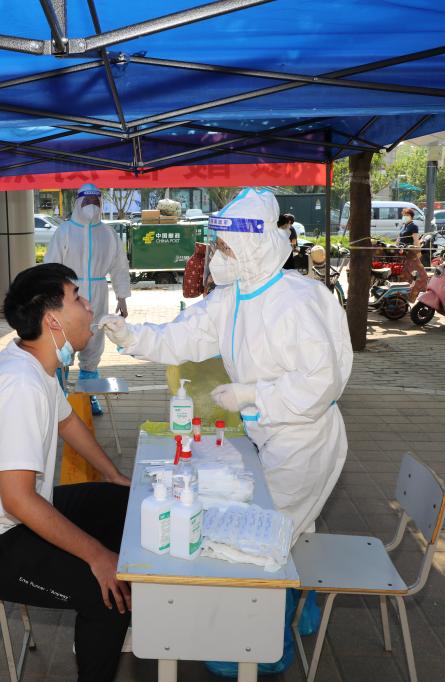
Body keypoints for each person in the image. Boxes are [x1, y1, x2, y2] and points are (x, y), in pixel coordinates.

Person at [99, 188, 353, 673]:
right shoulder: (232, 298)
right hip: (270, 433)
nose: (218, 255)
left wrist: (253, 395)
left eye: (225, 247)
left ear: (253, 248)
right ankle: (299, 612)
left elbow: (320, 384)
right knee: (284, 526)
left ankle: (261, 647)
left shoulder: (294, 301)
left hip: (304, 440)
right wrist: (132, 337)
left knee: (262, 539)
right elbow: (182, 336)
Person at [0, 263, 132, 682]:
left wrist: (113, 475)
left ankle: (132, 592)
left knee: (124, 502)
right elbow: (17, 500)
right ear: (53, 321)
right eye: (77, 298)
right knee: (109, 594)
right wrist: (97, 556)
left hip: (17, 516)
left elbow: (67, 422)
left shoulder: (33, 361)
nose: (88, 306)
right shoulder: (20, 387)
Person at [45, 183, 131, 415]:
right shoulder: (64, 231)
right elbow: (51, 265)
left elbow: (120, 266)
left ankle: (88, 396)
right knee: (63, 343)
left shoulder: (108, 233)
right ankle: (59, 398)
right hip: (68, 295)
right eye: (87, 201)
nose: (92, 205)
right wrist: (50, 298)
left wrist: (122, 296)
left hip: (99, 293)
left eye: (96, 201)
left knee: (94, 343)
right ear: (78, 203)